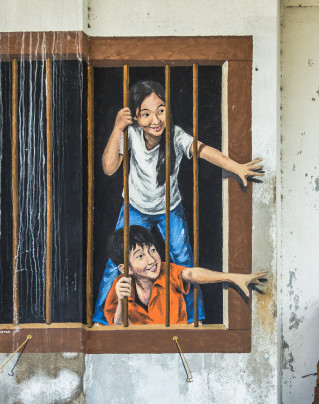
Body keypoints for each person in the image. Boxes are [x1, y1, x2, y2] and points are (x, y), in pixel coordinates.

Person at [93, 80, 264, 325]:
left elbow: (203, 150)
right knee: (116, 263)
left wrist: (236, 167)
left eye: (161, 110)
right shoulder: (131, 134)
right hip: (134, 207)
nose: (155, 120)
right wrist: (118, 127)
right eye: (146, 114)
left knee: (183, 263)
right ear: (136, 118)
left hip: (169, 208)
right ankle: (102, 321)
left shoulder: (175, 135)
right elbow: (109, 168)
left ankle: (194, 319)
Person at [102, 226, 266, 326]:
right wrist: (122, 301)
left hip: (176, 345)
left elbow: (191, 273)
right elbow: (118, 326)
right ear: (125, 268)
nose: (151, 259)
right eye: (140, 256)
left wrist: (233, 278)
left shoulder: (167, 271)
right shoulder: (120, 285)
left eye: (152, 250)